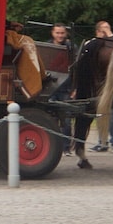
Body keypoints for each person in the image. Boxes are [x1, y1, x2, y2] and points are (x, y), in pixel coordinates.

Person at [89, 20, 113, 154]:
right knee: (100, 115)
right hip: (98, 86)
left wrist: (109, 36)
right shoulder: (92, 44)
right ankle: (102, 142)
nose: (107, 32)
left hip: (112, 85)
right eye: (104, 30)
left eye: (109, 29)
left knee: (112, 115)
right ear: (98, 32)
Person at [48, 23, 76, 155]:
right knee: (50, 119)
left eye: (62, 33)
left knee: (66, 120)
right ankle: (52, 147)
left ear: (66, 34)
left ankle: (66, 148)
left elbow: (76, 69)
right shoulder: (47, 47)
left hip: (66, 88)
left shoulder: (71, 48)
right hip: (50, 87)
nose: (60, 35)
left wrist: (74, 88)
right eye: (57, 33)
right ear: (52, 33)